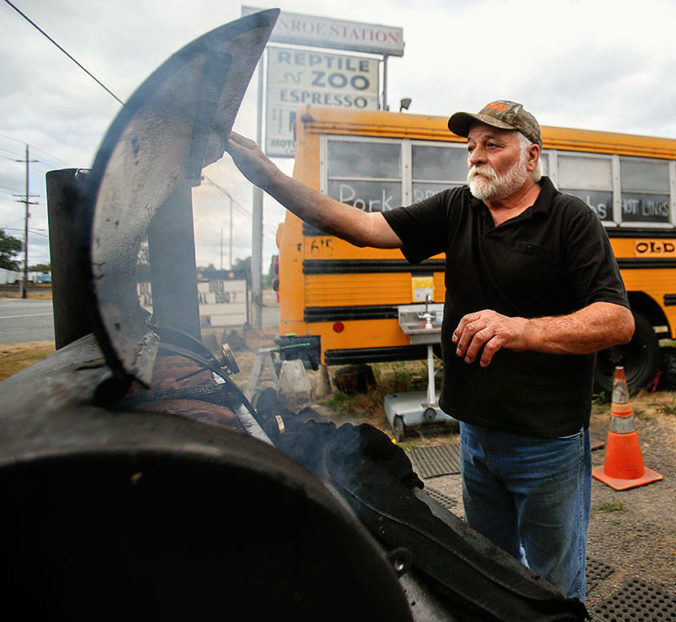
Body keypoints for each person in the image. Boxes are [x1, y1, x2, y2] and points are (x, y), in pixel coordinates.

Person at [226, 99, 634, 601]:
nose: (475, 157)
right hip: (475, 435)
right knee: (487, 569)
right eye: (471, 147)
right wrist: (267, 174)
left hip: (545, 443)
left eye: (492, 145)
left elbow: (617, 320)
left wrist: (521, 330)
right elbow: (365, 227)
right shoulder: (456, 207)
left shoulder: (569, 219)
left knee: (555, 582)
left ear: (531, 157)